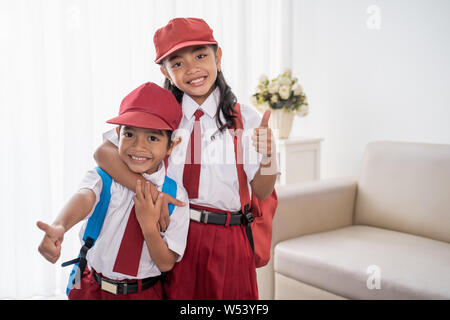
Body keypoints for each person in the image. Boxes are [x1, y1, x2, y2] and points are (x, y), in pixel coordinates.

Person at [94, 17, 278, 299]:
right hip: (176, 233)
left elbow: (262, 191)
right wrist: (153, 194)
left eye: (201, 55)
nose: (192, 69)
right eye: (177, 63)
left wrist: (268, 155)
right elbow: (104, 153)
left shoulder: (245, 119)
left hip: (228, 237)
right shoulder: (160, 116)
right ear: (166, 72)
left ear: (218, 56)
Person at [37, 82, 189, 300]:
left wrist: (149, 226)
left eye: (153, 138)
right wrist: (60, 225)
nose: (138, 146)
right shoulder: (104, 175)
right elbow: (85, 196)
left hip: (142, 293)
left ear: (172, 145)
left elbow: (166, 263)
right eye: (129, 134)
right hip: (91, 286)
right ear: (117, 134)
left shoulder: (176, 195)